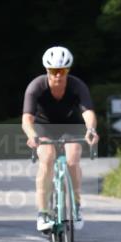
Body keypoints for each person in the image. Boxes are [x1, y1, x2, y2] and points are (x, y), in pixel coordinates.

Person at [21, 46, 99, 232]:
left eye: (62, 71)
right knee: (47, 158)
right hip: (43, 127)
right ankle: (43, 213)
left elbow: (88, 112)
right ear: (47, 71)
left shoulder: (77, 86)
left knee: (73, 159)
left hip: (70, 127)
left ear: (68, 71)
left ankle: (76, 207)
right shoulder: (36, 87)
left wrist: (91, 129)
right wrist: (32, 135)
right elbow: (26, 119)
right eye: (54, 71)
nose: (58, 75)